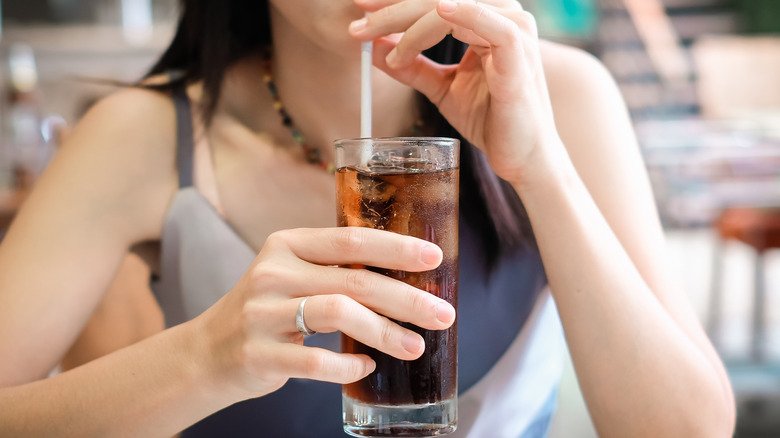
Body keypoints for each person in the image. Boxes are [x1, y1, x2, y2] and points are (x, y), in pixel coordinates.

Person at [0, 0, 735, 436]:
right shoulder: (142, 134)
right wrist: (203, 360)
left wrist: (540, 168)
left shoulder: (561, 97)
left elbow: (690, 429)